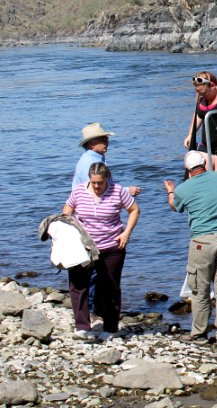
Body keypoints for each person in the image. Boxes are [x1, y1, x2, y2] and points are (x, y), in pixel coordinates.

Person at [164, 150, 217, 346]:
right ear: (205, 162)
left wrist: (171, 191)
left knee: (200, 290)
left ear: (187, 169)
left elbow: (175, 206)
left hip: (201, 243)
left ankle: (199, 333)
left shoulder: (183, 189)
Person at [63, 162, 140, 338]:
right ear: (89, 179)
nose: (97, 186)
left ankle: (110, 327)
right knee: (78, 284)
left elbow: (134, 210)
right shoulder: (79, 191)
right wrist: (67, 223)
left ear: (107, 180)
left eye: (101, 183)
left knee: (110, 287)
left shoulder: (118, 191)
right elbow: (68, 208)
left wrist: (126, 233)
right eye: (94, 182)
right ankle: (82, 326)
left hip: (112, 246)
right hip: (84, 247)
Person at [73, 123, 141, 196]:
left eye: (107, 138)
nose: (107, 141)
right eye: (103, 139)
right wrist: (126, 191)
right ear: (91, 143)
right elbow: (95, 190)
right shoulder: (88, 163)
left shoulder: (96, 158)